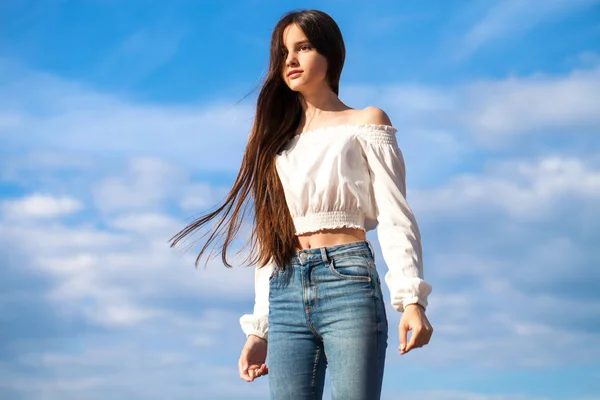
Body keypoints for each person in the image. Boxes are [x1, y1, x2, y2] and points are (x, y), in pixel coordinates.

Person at [170, 9, 433, 400]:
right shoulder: (275, 142)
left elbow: (397, 216)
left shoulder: (365, 122)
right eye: (283, 52)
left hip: (348, 282)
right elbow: (271, 239)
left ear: (330, 54)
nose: (290, 60)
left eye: (303, 47)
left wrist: (411, 300)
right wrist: (259, 328)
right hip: (286, 290)